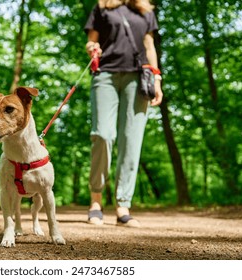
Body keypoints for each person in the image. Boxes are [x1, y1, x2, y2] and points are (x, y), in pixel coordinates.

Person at [84, 0, 163, 227]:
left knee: (131, 140)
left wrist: (156, 78)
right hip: (105, 75)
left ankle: (123, 205)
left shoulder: (145, 10)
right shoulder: (102, 7)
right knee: (103, 134)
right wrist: (92, 48)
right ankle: (96, 201)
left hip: (138, 78)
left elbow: (149, 46)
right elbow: (91, 40)